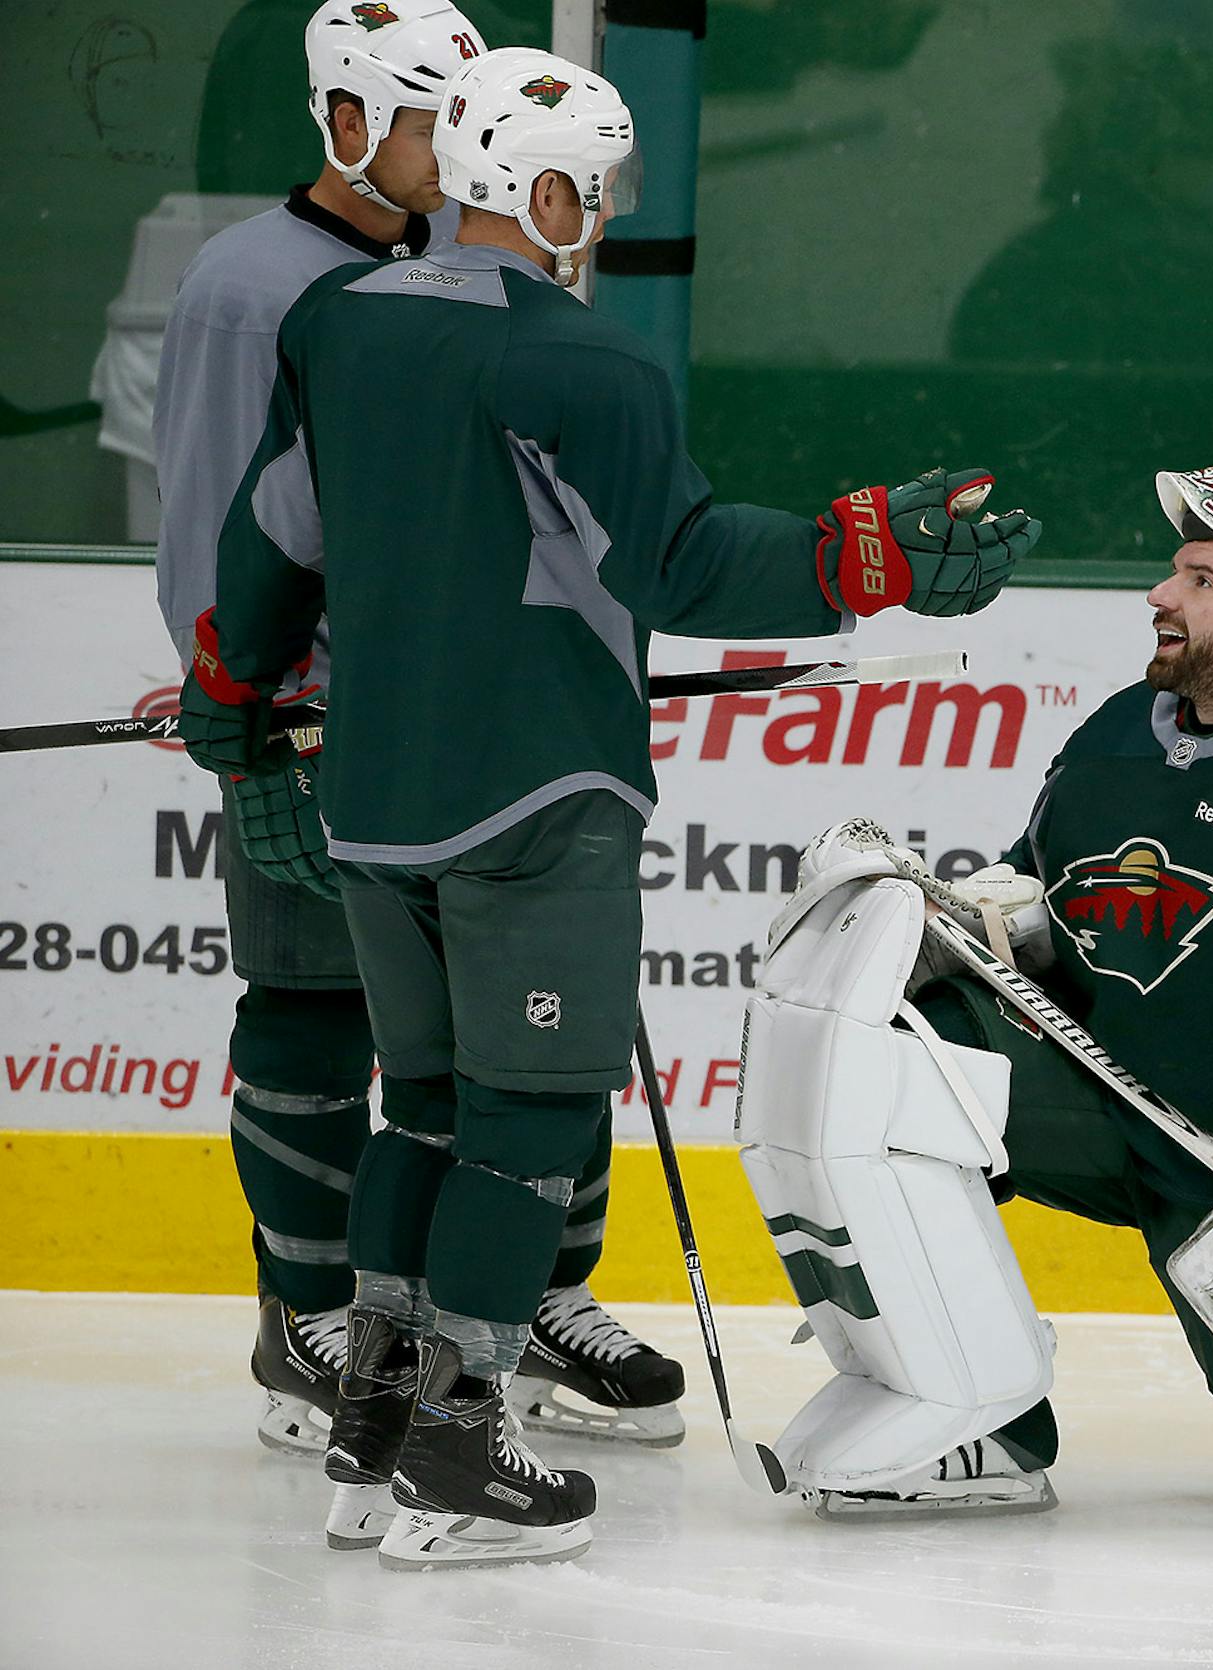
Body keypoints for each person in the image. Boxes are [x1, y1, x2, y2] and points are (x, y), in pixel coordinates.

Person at [175, 41, 1040, 1570]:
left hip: (371, 804)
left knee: (424, 1107)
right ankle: (462, 1444)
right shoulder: (587, 361)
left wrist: (235, 708)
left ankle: (372, 1423)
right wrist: (867, 558)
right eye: (599, 185)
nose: (606, 215)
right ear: (547, 185)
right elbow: (684, 562)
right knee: (528, 1118)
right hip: (536, 797)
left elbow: (268, 534)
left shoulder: (340, 321)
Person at [737, 447, 1213, 1516]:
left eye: (1201, 577)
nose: (1160, 590)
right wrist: (950, 926)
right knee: (888, 1056)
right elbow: (1044, 911)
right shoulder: (1114, 738)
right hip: (1111, 1108)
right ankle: (980, 1422)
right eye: (1174, 568)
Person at [154, 3, 693, 1500]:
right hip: (326, 730)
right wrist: (251, 720)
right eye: (421, 117)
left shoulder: (427, 287)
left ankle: (504, 1316)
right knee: (327, 1015)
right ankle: (315, 1326)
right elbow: (232, 530)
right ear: (343, 123)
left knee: (507, 1055)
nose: (450, 143)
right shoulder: (255, 287)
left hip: (446, 731)